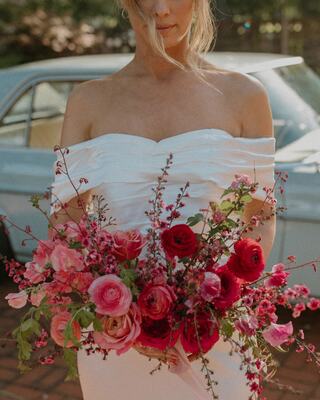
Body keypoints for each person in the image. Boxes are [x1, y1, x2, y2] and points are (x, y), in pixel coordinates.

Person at [49, 0, 276, 398]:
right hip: (114, 337)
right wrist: (112, 303)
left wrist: (211, 301)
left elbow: (260, 214)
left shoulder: (244, 95)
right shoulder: (88, 100)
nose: (160, 8)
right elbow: (66, 218)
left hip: (209, 335)